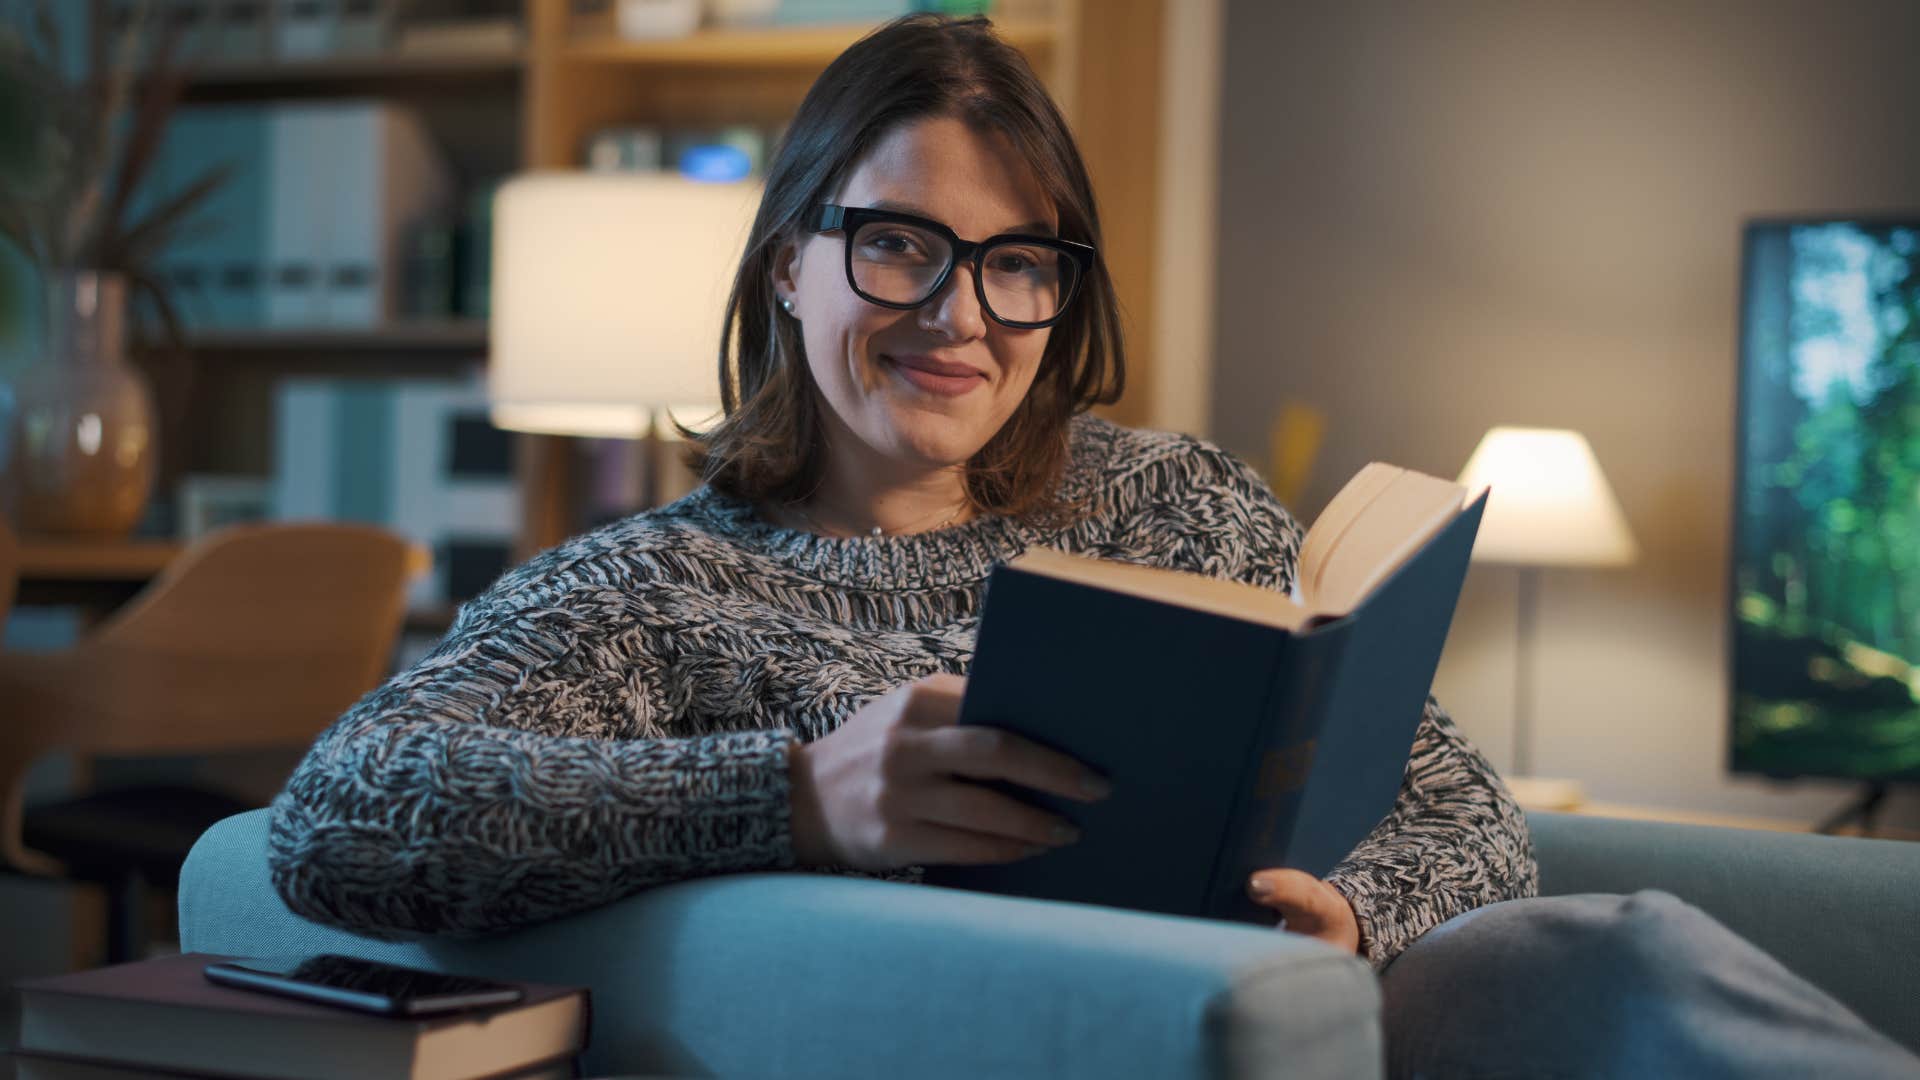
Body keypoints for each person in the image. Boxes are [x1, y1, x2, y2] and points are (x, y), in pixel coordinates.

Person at [267, 15, 1919, 1077]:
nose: (959, 319)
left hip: (1328, 1031)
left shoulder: (1169, 502)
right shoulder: (652, 588)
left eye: (1018, 266)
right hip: (1055, 1041)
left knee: (1601, 952)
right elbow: (335, 818)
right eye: (900, 244)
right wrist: (787, 796)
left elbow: (1465, 811)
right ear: (789, 266)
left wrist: (1347, 921)